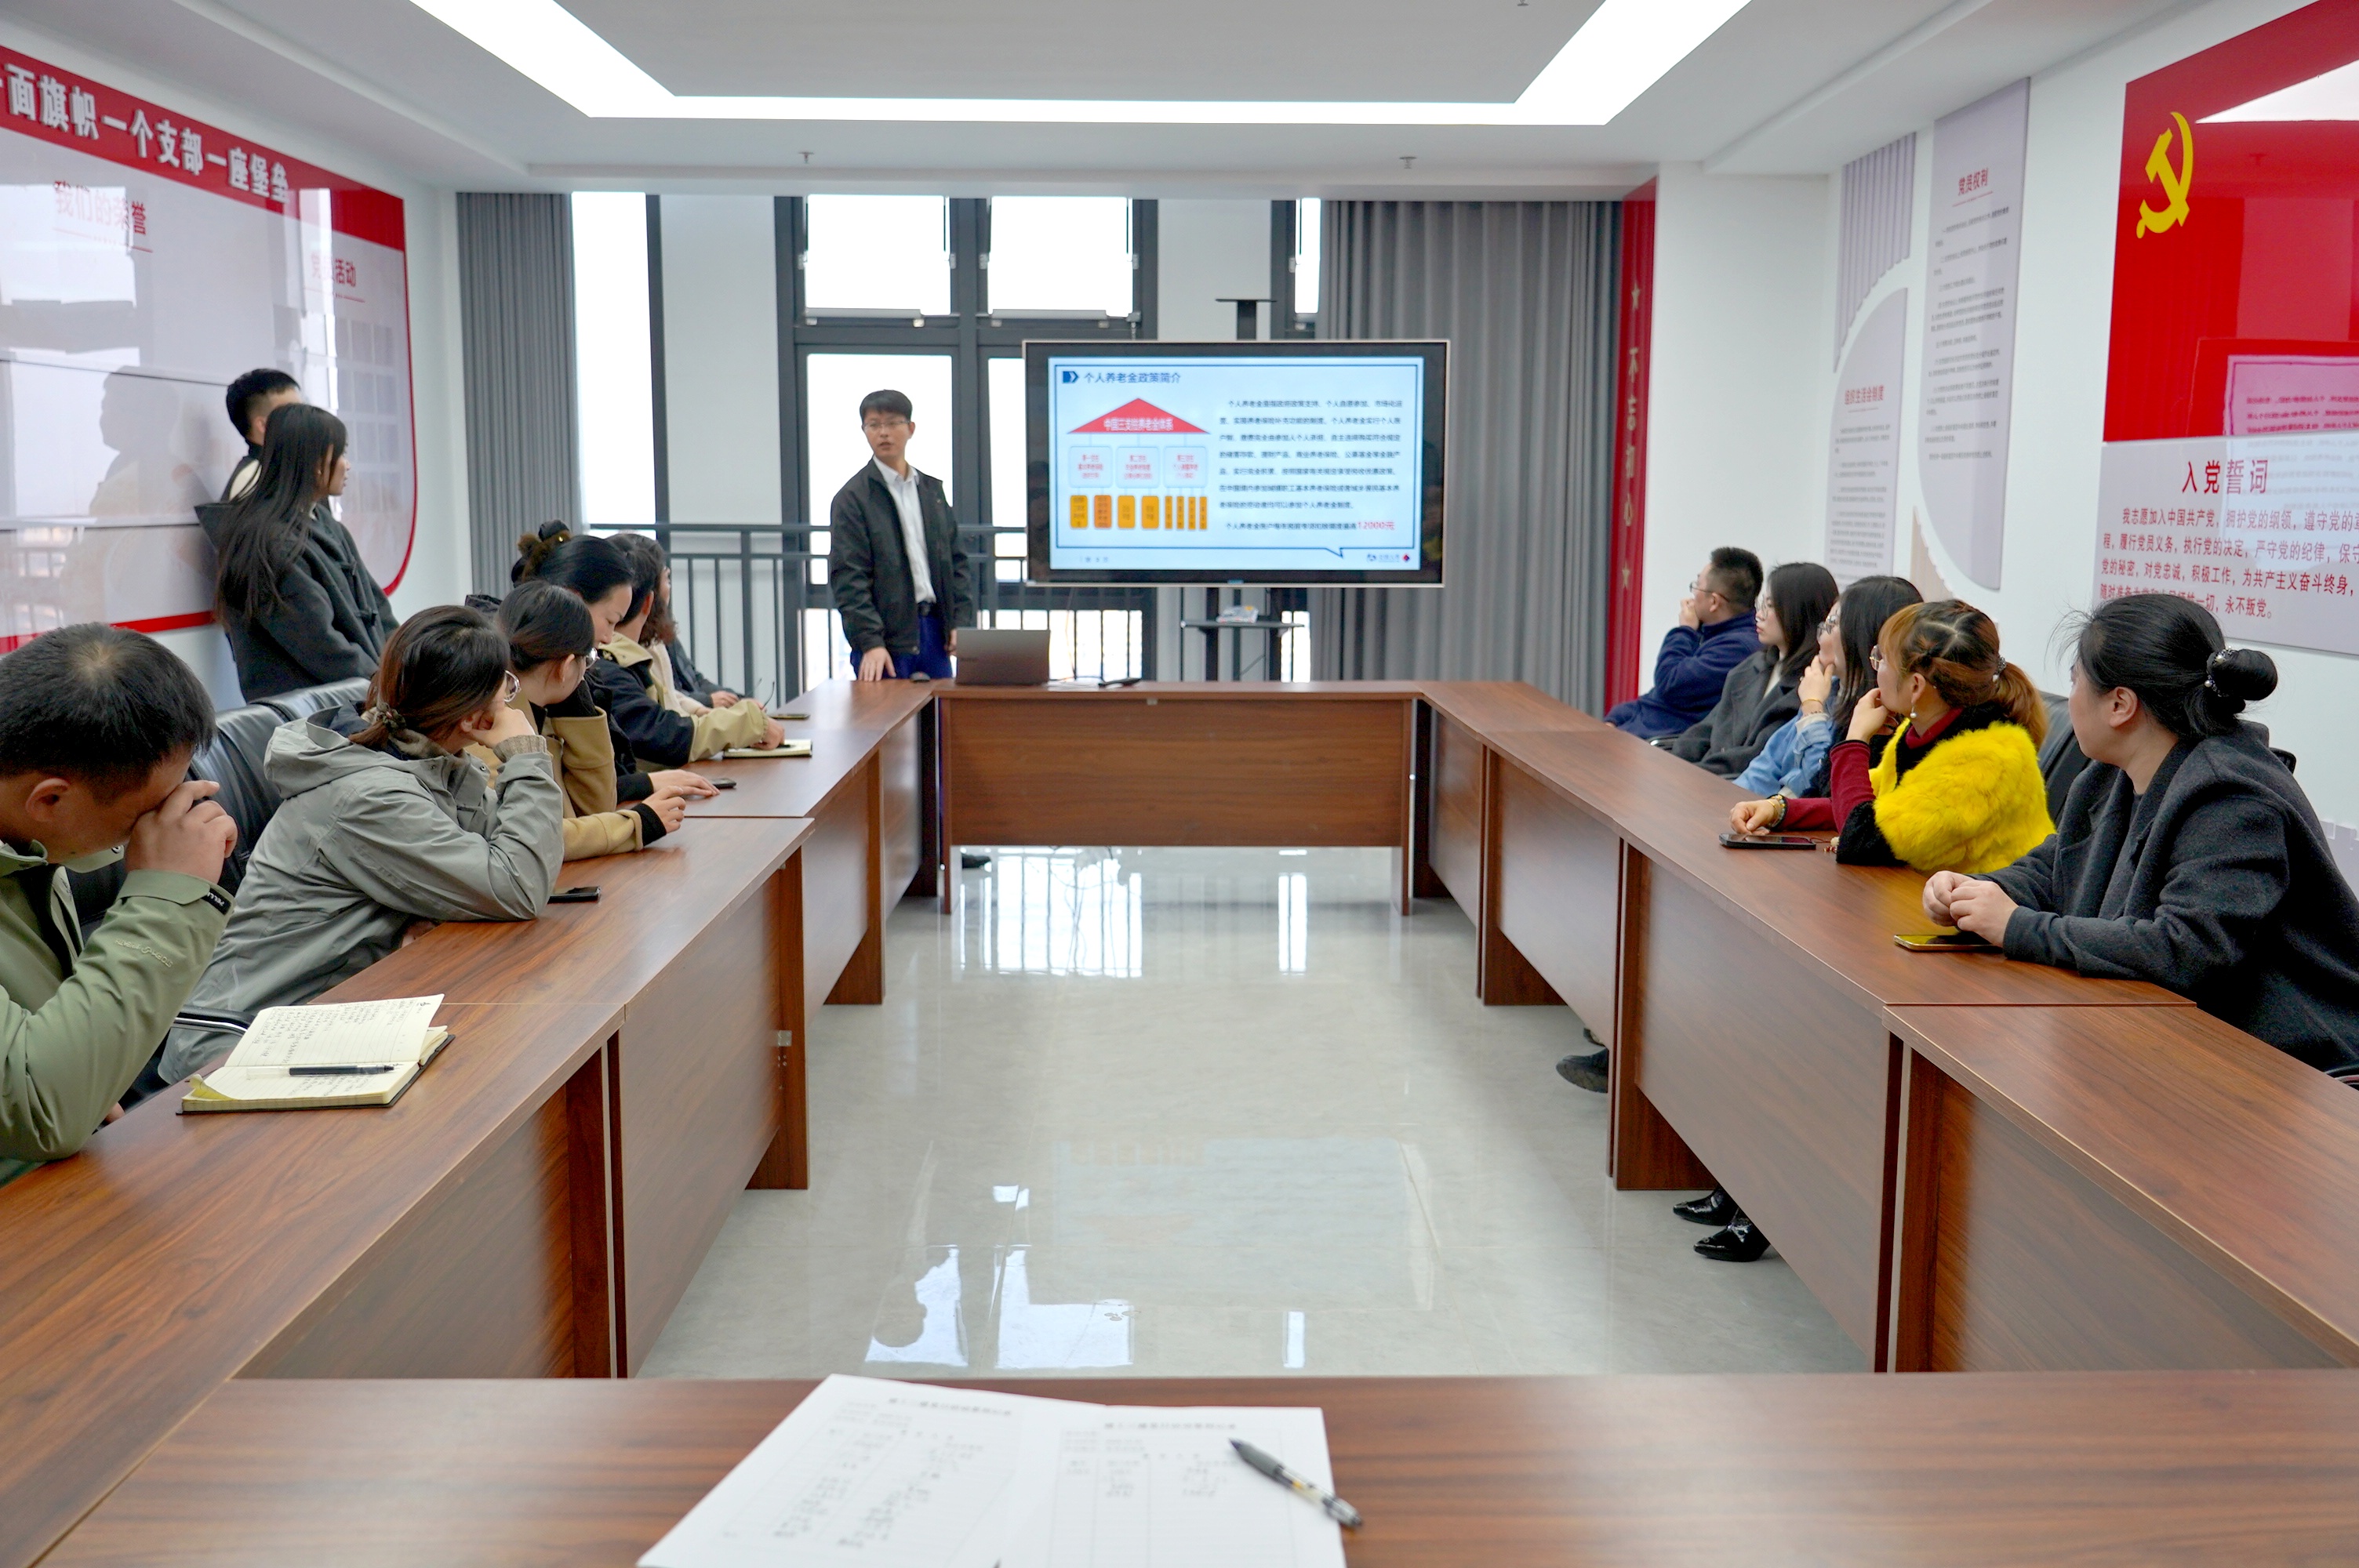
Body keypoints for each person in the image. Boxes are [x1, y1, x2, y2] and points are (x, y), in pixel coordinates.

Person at [1930, 593, 2359, 1071]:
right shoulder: (2110, 775)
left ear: (2120, 704)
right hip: (2170, 1037)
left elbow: (2188, 950)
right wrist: (1976, 892)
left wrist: (2019, 928)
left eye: (2075, 681)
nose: (2070, 697)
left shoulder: (2231, 798)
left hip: (2292, 1067)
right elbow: (2057, 867)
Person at [158, 607, 565, 1082]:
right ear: (474, 716)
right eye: (507, 689)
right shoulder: (371, 795)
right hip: (240, 1043)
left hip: (330, 1015)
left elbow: (508, 855)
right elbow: (517, 885)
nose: (511, 704)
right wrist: (525, 756)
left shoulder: (425, 763)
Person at [0, 626, 238, 1179]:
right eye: (147, 812)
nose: (165, 823)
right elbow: (40, 1108)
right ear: (50, 799)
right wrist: (167, 895)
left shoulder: (27, 836)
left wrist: (82, 1078)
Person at [1729, 598, 2051, 873]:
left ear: (1916, 686)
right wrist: (1781, 810)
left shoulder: (1987, 761)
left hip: (1978, 921)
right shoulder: (1923, 729)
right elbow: (1878, 805)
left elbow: (1861, 838)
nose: (1876, 668)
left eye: (1881, 659)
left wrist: (1855, 740)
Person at [507, 524, 722, 804]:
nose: (609, 638)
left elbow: (587, 802)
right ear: (574, 600)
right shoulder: (509, 691)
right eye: (610, 621)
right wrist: (639, 819)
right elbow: (557, 814)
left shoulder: (575, 677)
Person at [484, 582, 699, 860]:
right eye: (589, 659)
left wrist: (580, 712)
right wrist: (637, 824)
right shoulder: (489, 726)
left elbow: (595, 809)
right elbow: (533, 837)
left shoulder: (541, 709)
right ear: (565, 666)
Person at [212, 403, 398, 701]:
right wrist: (385, 685)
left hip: (357, 697)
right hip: (315, 716)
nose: (347, 465)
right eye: (340, 454)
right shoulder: (270, 543)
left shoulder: (324, 522)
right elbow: (321, 645)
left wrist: (402, 665)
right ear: (314, 461)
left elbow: (377, 608)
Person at [827, 389, 974, 681]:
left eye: (892, 423)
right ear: (864, 431)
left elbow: (957, 563)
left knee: (942, 711)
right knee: (888, 712)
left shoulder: (931, 492)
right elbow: (849, 578)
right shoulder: (853, 498)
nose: (883, 432)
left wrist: (961, 623)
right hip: (886, 639)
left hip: (935, 630)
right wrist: (870, 642)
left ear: (910, 429)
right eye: (874, 425)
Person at [1733, 575, 1922, 798]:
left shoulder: (1883, 715)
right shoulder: (1830, 690)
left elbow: (1826, 789)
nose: (1822, 636)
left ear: (1858, 636)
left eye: (1832, 624)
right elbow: (1768, 765)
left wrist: (1813, 710)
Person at [602, 532, 776, 759]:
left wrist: (707, 712)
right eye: (667, 578)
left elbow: (671, 700)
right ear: (649, 600)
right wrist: (748, 722)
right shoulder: (610, 664)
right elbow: (664, 735)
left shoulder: (651, 646)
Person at [1663, 561, 1837, 777]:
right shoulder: (1750, 667)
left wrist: (1691, 776)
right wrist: (1673, 766)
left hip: (1736, 786)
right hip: (1707, 776)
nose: (1759, 614)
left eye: (1770, 606)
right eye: (1761, 604)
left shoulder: (1812, 685)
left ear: (1798, 612)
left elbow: (1754, 757)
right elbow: (1706, 730)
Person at [1606, 549, 1765, 739]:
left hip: (1663, 745)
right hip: (1636, 733)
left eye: (1697, 586)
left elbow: (1669, 683)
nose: (1691, 596)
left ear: (1714, 602)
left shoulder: (1738, 648)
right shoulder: (1709, 632)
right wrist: (1616, 719)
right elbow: (1656, 698)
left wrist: (1685, 630)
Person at [220, 368, 301, 502]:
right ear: (263, 425)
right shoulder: (251, 479)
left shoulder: (289, 470)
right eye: (294, 412)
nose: (305, 418)